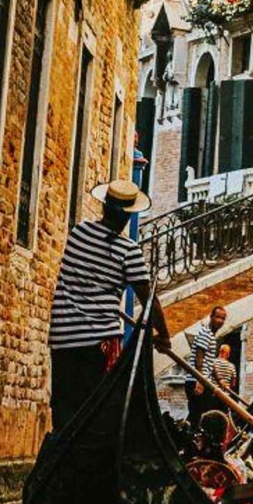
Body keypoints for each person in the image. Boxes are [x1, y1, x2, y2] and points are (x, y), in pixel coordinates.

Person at [47, 179, 170, 431]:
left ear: (104, 208)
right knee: (97, 409)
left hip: (62, 339)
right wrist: (164, 335)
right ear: (127, 217)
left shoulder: (78, 233)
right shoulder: (128, 250)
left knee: (65, 406)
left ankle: (61, 461)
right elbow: (149, 299)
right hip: (98, 343)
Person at [187, 305, 228, 426]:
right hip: (196, 381)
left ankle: (191, 438)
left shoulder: (210, 335)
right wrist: (200, 381)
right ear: (211, 317)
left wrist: (219, 380)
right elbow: (199, 359)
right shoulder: (205, 333)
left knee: (199, 414)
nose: (220, 321)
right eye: (218, 317)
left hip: (202, 381)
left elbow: (210, 362)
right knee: (199, 416)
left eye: (223, 318)